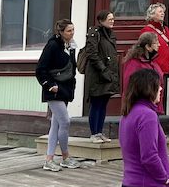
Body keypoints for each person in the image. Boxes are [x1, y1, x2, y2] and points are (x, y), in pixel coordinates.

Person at [36, 19, 79, 172]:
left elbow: (71, 68)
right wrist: (49, 85)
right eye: (69, 31)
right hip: (54, 89)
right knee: (65, 121)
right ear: (60, 32)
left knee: (56, 125)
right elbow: (40, 69)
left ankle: (49, 159)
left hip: (65, 89)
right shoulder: (52, 46)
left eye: (73, 30)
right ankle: (65, 157)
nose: (72, 33)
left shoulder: (70, 45)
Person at [84, 10, 120, 143]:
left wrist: (110, 73)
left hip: (108, 74)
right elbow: (92, 54)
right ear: (101, 20)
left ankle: (99, 132)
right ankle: (94, 133)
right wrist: (103, 70)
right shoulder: (94, 33)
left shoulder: (110, 34)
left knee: (103, 104)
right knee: (96, 103)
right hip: (97, 75)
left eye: (113, 19)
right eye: (109, 19)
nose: (112, 21)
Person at [141, 3, 169, 107]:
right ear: (152, 14)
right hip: (154, 68)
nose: (163, 14)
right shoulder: (147, 30)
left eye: (163, 12)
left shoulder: (166, 30)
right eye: (160, 12)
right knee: (154, 95)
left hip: (165, 68)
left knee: (161, 95)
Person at [122, 32, 163, 111]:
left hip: (153, 105)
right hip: (141, 107)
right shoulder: (134, 63)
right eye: (156, 43)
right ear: (147, 46)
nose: (159, 45)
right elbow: (128, 86)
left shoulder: (152, 62)